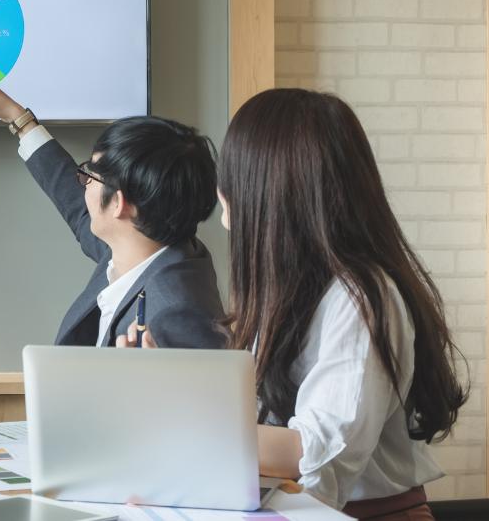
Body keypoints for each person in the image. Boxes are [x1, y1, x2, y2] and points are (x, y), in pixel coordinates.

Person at [120, 89, 467, 519]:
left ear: (265, 190)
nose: (222, 194)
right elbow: (268, 427)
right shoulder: (292, 289)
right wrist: (169, 389)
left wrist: (180, 415)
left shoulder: (361, 299)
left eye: (232, 176)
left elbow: (316, 452)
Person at [0, 58, 226, 348]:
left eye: (88, 176)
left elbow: (195, 393)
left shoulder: (177, 314)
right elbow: (76, 205)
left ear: (119, 204)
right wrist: (15, 116)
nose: (82, 185)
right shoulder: (147, 246)